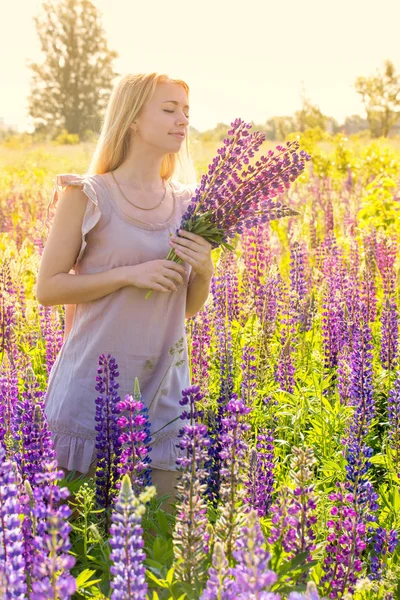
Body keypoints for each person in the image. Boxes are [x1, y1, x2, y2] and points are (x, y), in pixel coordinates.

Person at [35, 72, 214, 513]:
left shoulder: (190, 203)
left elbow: (184, 311)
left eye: (186, 112)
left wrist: (205, 272)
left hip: (165, 390)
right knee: (77, 550)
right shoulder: (88, 194)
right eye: (169, 110)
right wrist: (129, 275)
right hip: (90, 389)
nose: (182, 121)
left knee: (165, 542)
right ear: (132, 119)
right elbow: (48, 289)